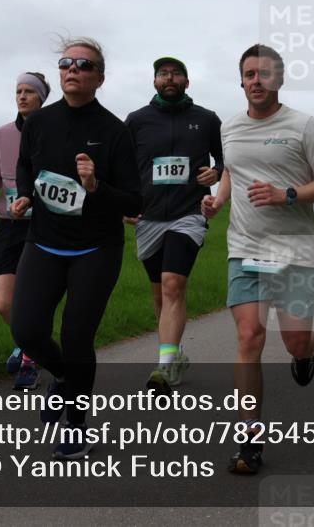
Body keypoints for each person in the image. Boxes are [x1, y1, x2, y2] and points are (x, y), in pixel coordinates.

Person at [201, 44, 314, 475]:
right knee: (249, 337)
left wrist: (288, 194)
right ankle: (250, 439)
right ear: (240, 80)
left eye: (264, 74)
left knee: (294, 340)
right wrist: (218, 200)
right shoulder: (230, 128)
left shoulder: (303, 126)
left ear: (279, 79)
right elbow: (231, 170)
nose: (256, 81)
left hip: (294, 251)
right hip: (245, 248)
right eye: (249, 74)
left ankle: (305, 355)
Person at [9, 37, 142, 460]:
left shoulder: (115, 132)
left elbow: (136, 201)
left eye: (84, 65)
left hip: (95, 248)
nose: (72, 69)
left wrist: (95, 186)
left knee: (76, 337)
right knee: (26, 329)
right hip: (44, 242)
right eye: (66, 63)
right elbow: (26, 165)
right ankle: (67, 379)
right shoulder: (39, 123)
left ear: (99, 78)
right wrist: (26, 194)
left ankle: (75, 423)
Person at [124, 56, 223, 395]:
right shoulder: (137, 121)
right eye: (163, 73)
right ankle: (175, 352)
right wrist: (125, 204)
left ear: (186, 81)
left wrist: (218, 172)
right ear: (154, 82)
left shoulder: (206, 120)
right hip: (148, 217)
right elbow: (121, 167)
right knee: (159, 293)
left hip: (188, 214)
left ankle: (164, 367)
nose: (169, 78)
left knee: (172, 284)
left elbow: (229, 159)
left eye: (176, 73)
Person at [0, 72, 50, 390]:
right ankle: (26, 343)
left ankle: (30, 359)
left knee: (32, 300)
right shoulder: (2, 133)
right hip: (8, 226)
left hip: (44, 227)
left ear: (41, 98)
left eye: (29, 92)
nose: (22, 96)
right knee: (3, 303)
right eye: (18, 91)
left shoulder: (53, 132)